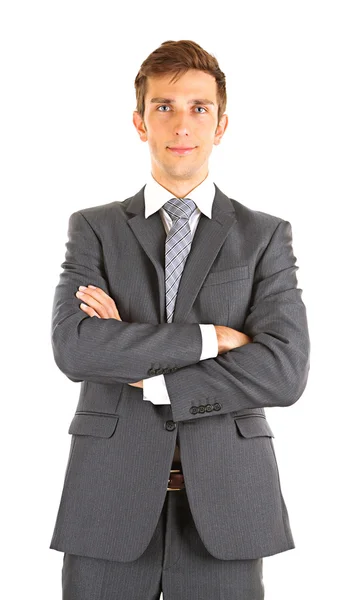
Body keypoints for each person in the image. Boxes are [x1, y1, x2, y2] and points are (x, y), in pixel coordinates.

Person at [49, 39, 311, 600]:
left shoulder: (264, 236)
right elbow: (76, 348)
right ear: (140, 122)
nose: (182, 124)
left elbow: (284, 372)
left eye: (199, 108)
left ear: (221, 125)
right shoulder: (93, 228)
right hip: (107, 498)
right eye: (164, 107)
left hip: (228, 502)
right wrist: (212, 338)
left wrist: (151, 371)